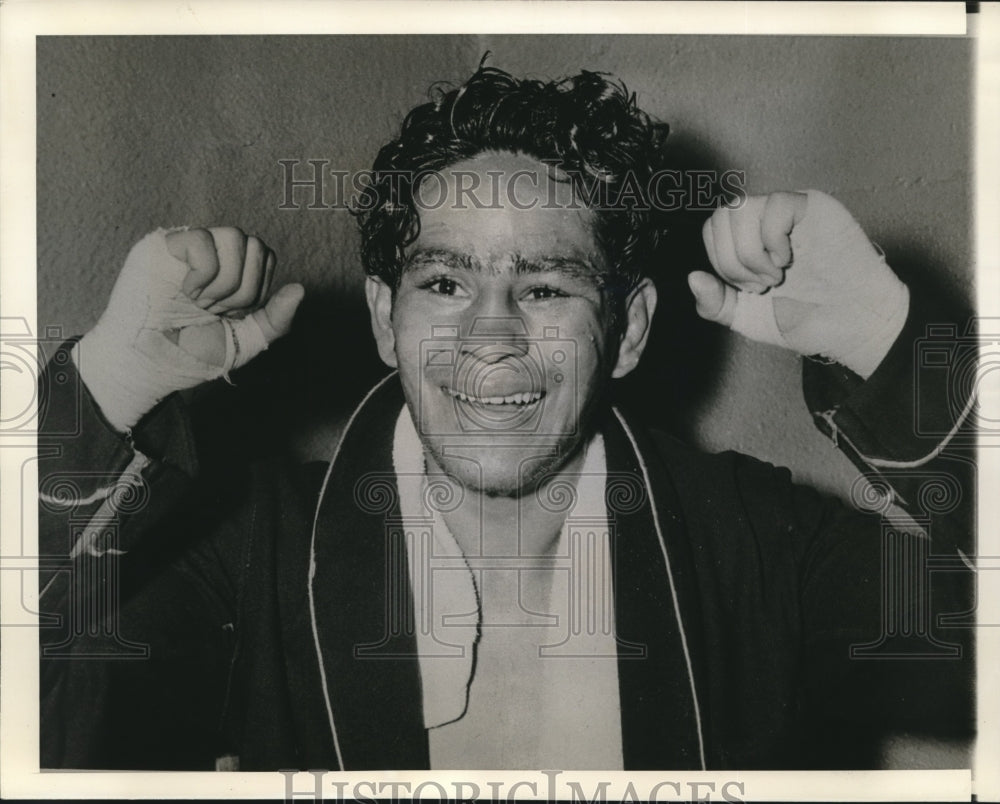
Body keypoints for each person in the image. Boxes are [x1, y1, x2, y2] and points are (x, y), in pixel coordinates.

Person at [38, 65, 975, 771]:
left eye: (546, 286)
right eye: (444, 282)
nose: (491, 334)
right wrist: (105, 393)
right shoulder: (247, 554)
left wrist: (895, 352)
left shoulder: (757, 543)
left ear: (630, 330)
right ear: (383, 318)